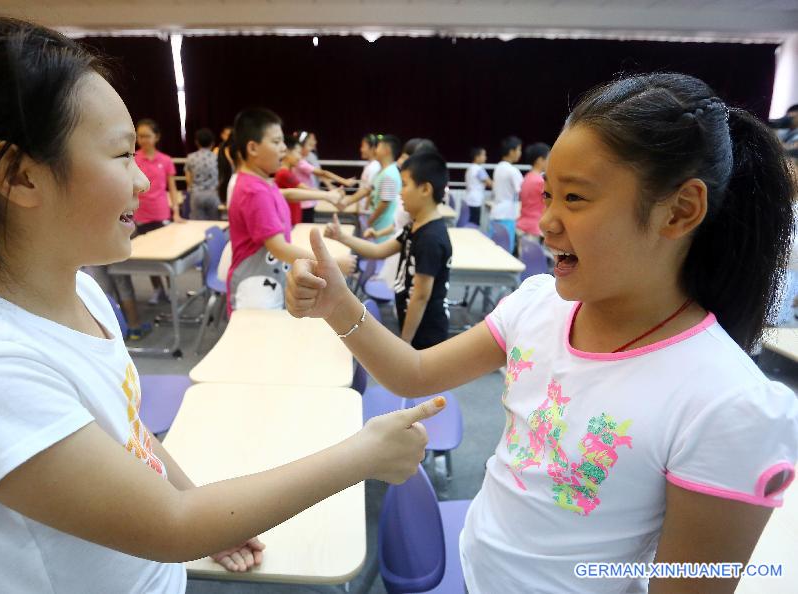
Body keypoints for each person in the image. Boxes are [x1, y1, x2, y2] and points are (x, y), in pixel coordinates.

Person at [0, 16, 444, 594]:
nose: (143, 181)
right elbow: (169, 527)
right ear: (18, 175)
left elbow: (130, 434)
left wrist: (201, 512)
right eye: (120, 155)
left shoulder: (78, 289)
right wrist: (363, 455)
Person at [286, 72, 798, 594]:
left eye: (575, 199)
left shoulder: (727, 404)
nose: (546, 222)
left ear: (680, 210)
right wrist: (337, 304)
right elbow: (415, 373)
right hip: (475, 571)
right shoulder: (538, 305)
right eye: (549, 194)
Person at [227, 109, 355, 312]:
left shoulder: (260, 182)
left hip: (266, 278)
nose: (283, 148)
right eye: (277, 142)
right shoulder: (254, 190)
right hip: (255, 286)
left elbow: (285, 195)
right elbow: (279, 248)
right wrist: (330, 264)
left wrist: (326, 196)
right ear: (252, 148)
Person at [325, 152, 452, 349]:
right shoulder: (415, 225)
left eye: (405, 184)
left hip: (426, 331)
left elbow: (420, 296)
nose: (400, 193)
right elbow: (379, 251)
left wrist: (405, 341)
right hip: (413, 323)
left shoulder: (431, 238)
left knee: (419, 379)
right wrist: (342, 237)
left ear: (425, 189)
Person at [134, 118, 183, 304]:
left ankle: (171, 289)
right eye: (140, 136)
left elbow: (172, 188)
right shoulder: (134, 159)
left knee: (166, 255)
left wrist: (176, 212)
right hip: (141, 215)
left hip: (161, 212)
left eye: (147, 136)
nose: (143, 140)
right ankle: (158, 289)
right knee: (148, 256)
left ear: (157, 137)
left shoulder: (166, 160)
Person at [275, 135, 343, 227]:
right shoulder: (284, 173)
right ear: (287, 152)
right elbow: (306, 189)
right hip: (289, 221)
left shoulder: (287, 172)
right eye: (298, 153)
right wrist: (329, 195)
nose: (299, 157)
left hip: (292, 219)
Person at [293, 131, 357, 223]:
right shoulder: (300, 163)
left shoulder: (302, 161)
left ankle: (337, 202)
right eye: (308, 145)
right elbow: (322, 173)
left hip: (307, 201)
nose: (311, 148)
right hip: (304, 204)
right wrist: (344, 181)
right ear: (300, 147)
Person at [489, 135, 523, 254]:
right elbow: (522, 191)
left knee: (495, 250)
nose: (520, 153)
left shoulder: (498, 168)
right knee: (506, 252)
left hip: (496, 212)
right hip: (507, 215)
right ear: (511, 151)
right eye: (518, 149)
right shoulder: (513, 171)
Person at [516, 142, 550, 243]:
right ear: (540, 160)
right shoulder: (540, 181)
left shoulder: (527, 177)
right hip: (533, 228)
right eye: (548, 158)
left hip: (522, 225)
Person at [184, 127, 219, 220]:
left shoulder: (191, 157)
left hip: (197, 194)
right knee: (214, 223)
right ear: (212, 143)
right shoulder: (216, 158)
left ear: (197, 142)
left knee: (197, 225)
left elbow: (188, 178)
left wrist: (191, 189)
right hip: (213, 194)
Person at [464, 147, 492, 226]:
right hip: (475, 201)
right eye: (483, 155)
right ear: (477, 157)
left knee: (469, 223)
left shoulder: (470, 168)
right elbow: (490, 183)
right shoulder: (479, 169)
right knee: (474, 225)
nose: (485, 157)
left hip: (468, 199)